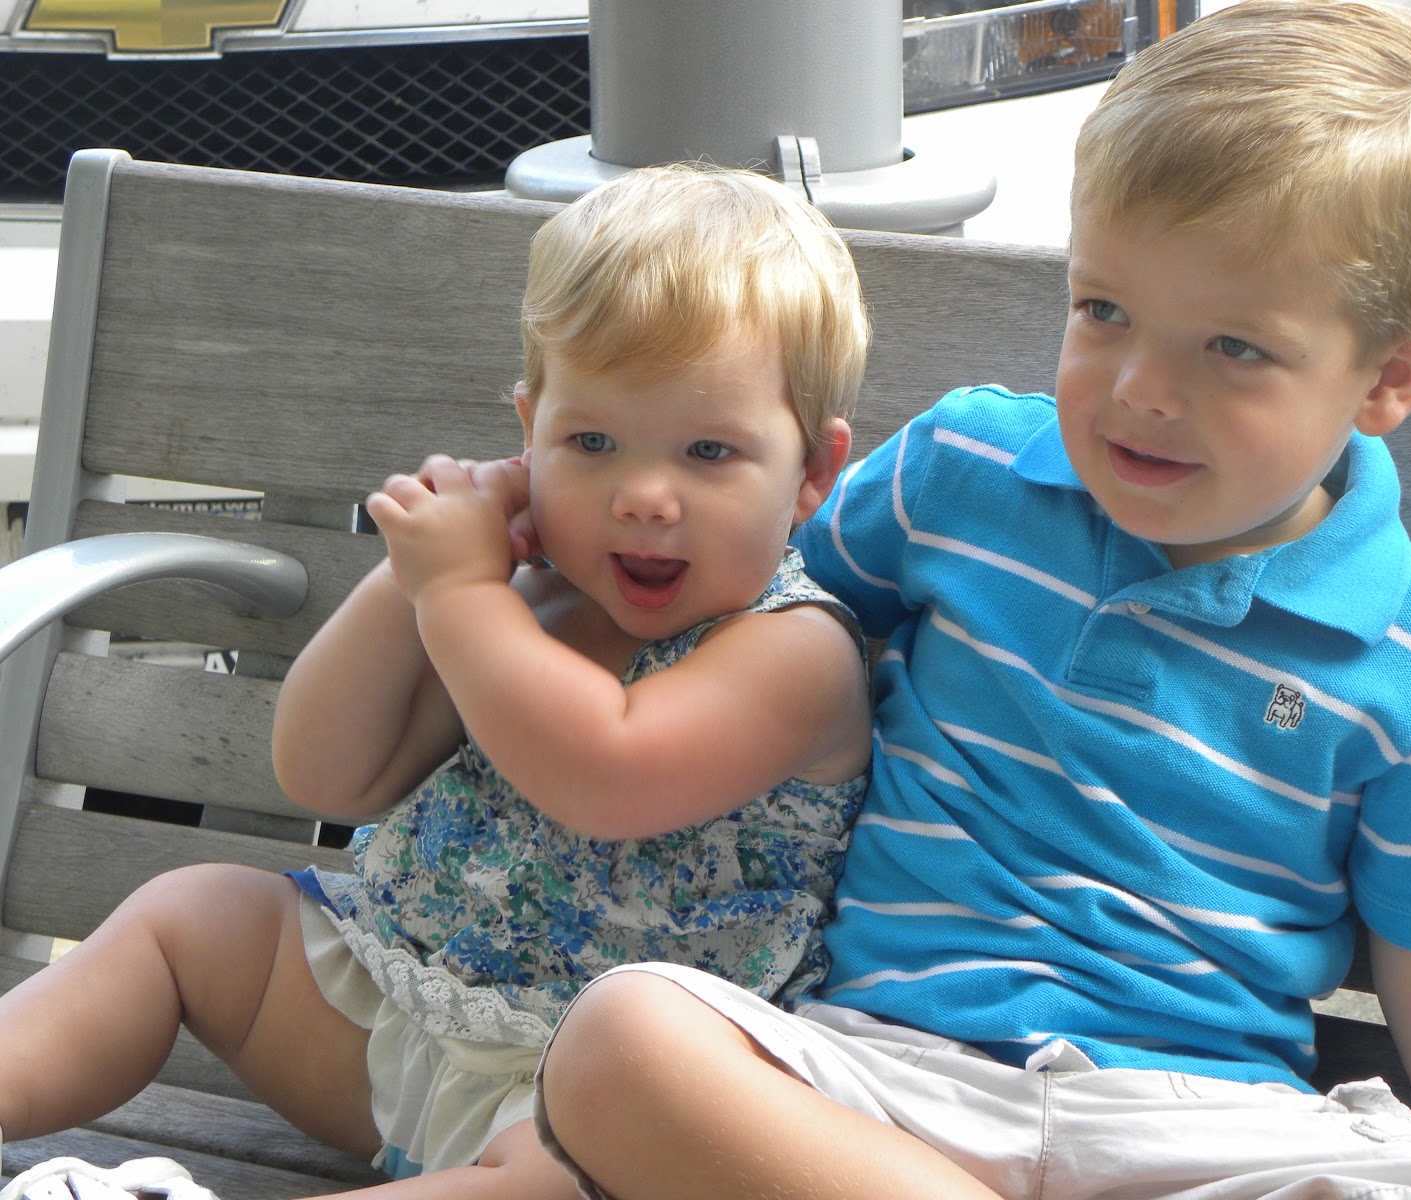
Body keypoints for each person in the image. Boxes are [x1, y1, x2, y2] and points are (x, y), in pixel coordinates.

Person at [531, 4, 1411, 1199]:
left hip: (1207, 1129)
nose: (1139, 389)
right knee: (621, 1038)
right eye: (1103, 311)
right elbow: (746, 605)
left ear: (1388, 378)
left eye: (1233, 349)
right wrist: (523, 542)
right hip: (876, 1087)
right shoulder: (960, 476)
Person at [0, 163, 873, 1200]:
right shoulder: (523, 600)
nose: (643, 495)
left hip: (588, 1096)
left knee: (571, 1183)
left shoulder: (793, 650)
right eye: (591, 441)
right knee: (192, 918)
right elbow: (330, 774)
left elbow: (606, 772)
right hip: (386, 996)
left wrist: (459, 594)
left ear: (812, 473)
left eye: (709, 451)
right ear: (529, 433)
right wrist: (414, 575)